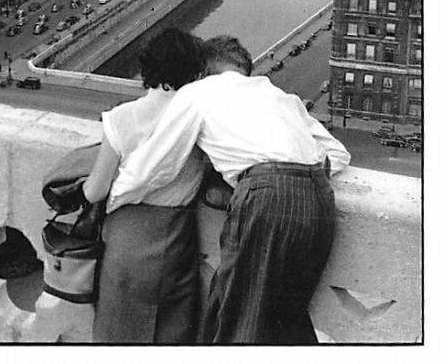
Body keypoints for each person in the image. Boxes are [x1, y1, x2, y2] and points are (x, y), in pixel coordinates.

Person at [108, 35, 351, 345]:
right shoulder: (280, 96)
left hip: (267, 196)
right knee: (287, 319)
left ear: (204, 69)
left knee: (238, 317)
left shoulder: (197, 93)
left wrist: (112, 199)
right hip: (318, 197)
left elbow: (155, 166)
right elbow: (338, 154)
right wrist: (295, 176)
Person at [79, 28, 208, 344]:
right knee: (171, 334)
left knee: (117, 334)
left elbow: (94, 192)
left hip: (125, 243)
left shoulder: (121, 118)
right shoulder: (199, 119)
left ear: (146, 67)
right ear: (194, 70)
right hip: (177, 241)